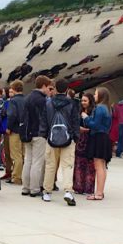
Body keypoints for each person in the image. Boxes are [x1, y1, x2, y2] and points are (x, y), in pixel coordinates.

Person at [40, 78, 80, 206]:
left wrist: (45, 134)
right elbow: (75, 121)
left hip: (51, 138)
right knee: (67, 166)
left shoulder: (48, 103)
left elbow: (44, 120)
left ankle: (47, 192)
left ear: (55, 88)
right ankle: (68, 191)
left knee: (50, 165)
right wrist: (75, 136)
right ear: (67, 89)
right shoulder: (72, 103)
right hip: (67, 138)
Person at [21, 75, 51, 197]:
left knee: (28, 160)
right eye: (48, 87)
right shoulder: (42, 100)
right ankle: (34, 189)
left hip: (27, 133)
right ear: (43, 85)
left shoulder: (27, 98)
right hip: (39, 133)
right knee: (37, 162)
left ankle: (25, 187)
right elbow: (44, 117)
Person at [82, 87, 112, 200]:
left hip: (98, 137)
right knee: (102, 166)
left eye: (95, 94)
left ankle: (98, 193)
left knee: (98, 166)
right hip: (104, 137)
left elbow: (95, 124)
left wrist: (86, 118)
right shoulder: (108, 108)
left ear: (101, 96)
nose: (94, 96)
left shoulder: (99, 108)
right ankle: (100, 191)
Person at [73, 92, 96, 195]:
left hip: (90, 139)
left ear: (90, 101)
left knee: (90, 164)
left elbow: (95, 125)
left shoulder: (94, 112)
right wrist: (79, 128)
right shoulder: (79, 111)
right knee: (78, 163)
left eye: (85, 101)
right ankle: (78, 187)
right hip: (80, 140)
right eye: (82, 100)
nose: (83, 103)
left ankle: (88, 188)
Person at [5, 80, 26, 186]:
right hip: (24, 130)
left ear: (13, 88)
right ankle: (23, 176)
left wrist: (8, 127)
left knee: (15, 155)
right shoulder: (26, 99)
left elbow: (12, 115)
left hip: (15, 129)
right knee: (23, 154)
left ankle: (16, 177)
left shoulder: (13, 101)